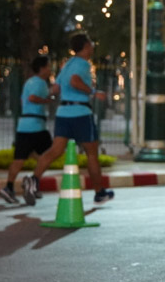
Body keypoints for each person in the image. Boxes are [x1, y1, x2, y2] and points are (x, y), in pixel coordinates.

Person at [23, 33, 113, 204]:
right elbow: (74, 81)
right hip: (80, 112)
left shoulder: (67, 64)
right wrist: (94, 92)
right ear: (86, 46)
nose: (93, 47)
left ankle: (33, 180)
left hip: (63, 112)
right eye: (91, 44)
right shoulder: (83, 64)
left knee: (55, 151)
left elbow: (55, 88)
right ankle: (99, 192)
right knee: (92, 153)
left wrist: (46, 99)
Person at [0, 56, 59, 204]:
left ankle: (10, 187)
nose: (50, 69)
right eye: (49, 66)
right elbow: (33, 98)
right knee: (52, 153)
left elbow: (27, 99)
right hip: (36, 126)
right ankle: (33, 182)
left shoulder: (30, 82)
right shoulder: (39, 82)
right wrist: (49, 99)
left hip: (25, 126)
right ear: (43, 68)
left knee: (22, 159)